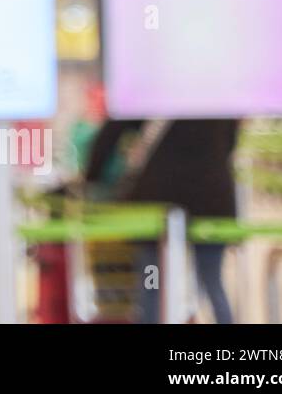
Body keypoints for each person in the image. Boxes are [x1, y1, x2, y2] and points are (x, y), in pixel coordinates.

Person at [84, 118, 240, 323]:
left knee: (152, 282)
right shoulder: (219, 91)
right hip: (212, 197)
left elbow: (112, 131)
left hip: (159, 200)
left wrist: (91, 177)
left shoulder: (151, 89)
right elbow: (229, 139)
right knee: (212, 281)